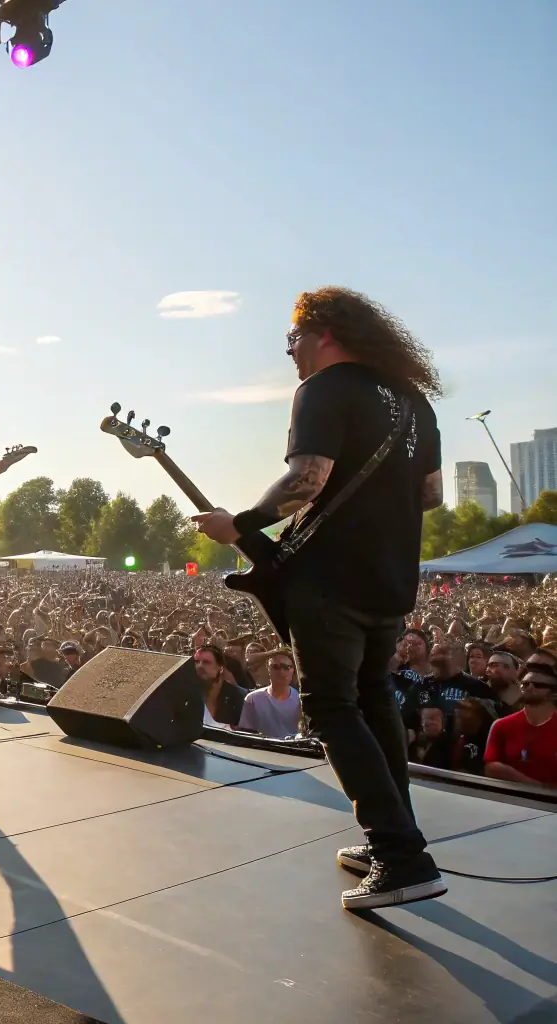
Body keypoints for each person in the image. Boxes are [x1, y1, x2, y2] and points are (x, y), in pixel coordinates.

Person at [193, 287, 447, 910]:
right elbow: (432, 495)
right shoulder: (414, 402)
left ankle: (401, 856)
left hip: (331, 579)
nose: (290, 353)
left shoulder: (324, 390)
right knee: (371, 699)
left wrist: (242, 524)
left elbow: (308, 478)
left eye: (292, 339)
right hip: (391, 578)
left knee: (331, 708)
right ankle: (396, 833)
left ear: (324, 332)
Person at [484, 662, 557, 788]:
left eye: (538, 685)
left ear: (554, 692)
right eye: (525, 684)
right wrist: (537, 787)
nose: (530, 687)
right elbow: (490, 767)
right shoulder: (501, 725)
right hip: (512, 801)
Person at [238, 648, 302, 739]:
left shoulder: (301, 700)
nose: (281, 672)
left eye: (286, 667)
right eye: (276, 667)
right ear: (268, 669)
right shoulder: (252, 699)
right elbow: (246, 735)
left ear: (293, 670)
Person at [194, 644, 247, 727]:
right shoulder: (188, 696)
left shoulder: (239, 697)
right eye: (196, 662)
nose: (200, 666)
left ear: (221, 668)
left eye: (206, 662)